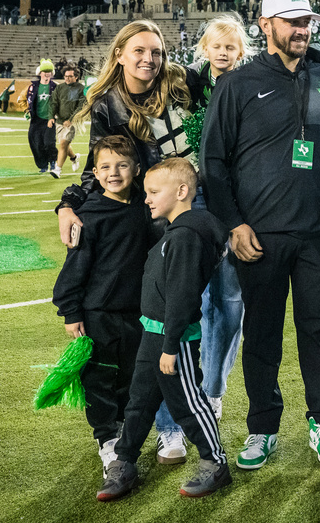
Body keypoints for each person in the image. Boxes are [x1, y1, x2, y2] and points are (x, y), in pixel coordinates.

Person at [202, 0, 320, 470]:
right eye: (291, 21)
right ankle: (262, 428)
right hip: (259, 235)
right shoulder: (238, 83)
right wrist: (233, 224)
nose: (302, 29)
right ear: (265, 25)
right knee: (263, 334)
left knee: (318, 330)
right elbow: (214, 161)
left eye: (307, 21)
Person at [56, 19, 196, 464]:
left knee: (173, 329)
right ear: (119, 53)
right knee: (145, 336)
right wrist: (68, 203)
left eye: (155, 51)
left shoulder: (178, 83)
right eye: (138, 51)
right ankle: (121, 431)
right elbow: (97, 166)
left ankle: (169, 425)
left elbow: (217, 69)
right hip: (137, 217)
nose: (148, 59)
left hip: (177, 212)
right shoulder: (105, 101)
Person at [98, 158, 231, 501]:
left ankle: (215, 463)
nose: (147, 198)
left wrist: (171, 346)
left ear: (183, 191)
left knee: (187, 403)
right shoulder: (177, 230)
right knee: (139, 401)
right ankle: (124, 462)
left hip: (175, 339)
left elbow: (183, 294)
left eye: (155, 191)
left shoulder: (187, 235)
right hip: (154, 332)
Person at [52, 136, 157, 478]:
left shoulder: (146, 209)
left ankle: (125, 428)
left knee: (131, 374)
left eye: (123, 165)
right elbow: (75, 268)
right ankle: (106, 438)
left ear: (137, 170)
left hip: (136, 313)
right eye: (106, 167)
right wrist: (72, 312)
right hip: (98, 313)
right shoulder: (88, 215)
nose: (115, 173)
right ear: (95, 173)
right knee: (99, 377)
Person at [185, 14, 255, 422]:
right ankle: (186, 384)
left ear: (241, 50)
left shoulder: (250, 84)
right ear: (205, 49)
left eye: (231, 47)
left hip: (235, 202)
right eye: (218, 46)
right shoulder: (188, 86)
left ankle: (213, 388)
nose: (225, 53)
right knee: (193, 297)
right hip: (194, 200)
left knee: (228, 299)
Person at [19, 59, 58, 174]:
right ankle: (42, 165)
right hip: (36, 120)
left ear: (52, 73)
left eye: (49, 71)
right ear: (40, 72)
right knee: (36, 143)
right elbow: (21, 99)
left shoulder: (56, 87)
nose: (47, 73)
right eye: (45, 71)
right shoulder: (31, 87)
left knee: (49, 143)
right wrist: (26, 110)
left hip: (49, 120)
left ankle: (52, 162)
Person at [48, 66, 86, 178]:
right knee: (63, 144)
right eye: (65, 76)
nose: (67, 78)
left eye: (70, 76)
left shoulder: (81, 89)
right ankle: (74, 158)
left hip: (74, 122)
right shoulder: (60, 88)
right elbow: (53, 103)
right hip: (60, 121)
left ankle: (57, 170)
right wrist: (51, 117)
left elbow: (81, 106)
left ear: (76, 77)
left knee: (64, 143)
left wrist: (71, 119)